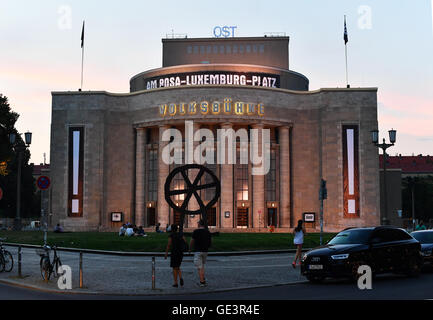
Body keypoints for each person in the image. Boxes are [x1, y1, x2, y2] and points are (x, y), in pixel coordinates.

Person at [190, 220, 212, 287]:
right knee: (202, 266)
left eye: (197, 223)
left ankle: (202, 282)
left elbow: (192, 241)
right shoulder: (207, 232)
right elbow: (210, 241)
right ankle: (203, 279)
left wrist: (190, 248)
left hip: (198, 251)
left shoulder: (196, 231)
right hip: (205, 251)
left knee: (200, 267)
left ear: (199, 224)